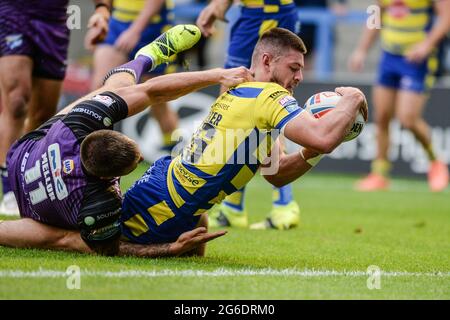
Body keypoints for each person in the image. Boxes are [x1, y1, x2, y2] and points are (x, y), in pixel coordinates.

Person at [1, 27, 367, 255]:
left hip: (162, 186)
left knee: (113, 92)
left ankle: (145, 57)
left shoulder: (249, 99)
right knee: (69, 239)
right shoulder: (266, 98)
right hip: (162, 211)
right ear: (267, 61)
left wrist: (313, 153)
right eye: (294, 68)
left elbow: (277, 173)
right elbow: (322, 134)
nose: (301, 77)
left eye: (303, 69)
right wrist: (351, 100)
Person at [0, 25, 252, 257]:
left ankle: (146, 57)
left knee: (113, 93)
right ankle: (140, 60)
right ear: (104, 180)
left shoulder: (76, 127)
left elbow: (150, 91)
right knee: (61, 238)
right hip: (35, 216)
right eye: (133, 164)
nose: (141, 158)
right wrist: (169, 248)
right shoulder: (99, 203)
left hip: (20, 156)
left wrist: (218, 76)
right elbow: (103, 246)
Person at [196, 0, 302, 230]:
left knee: (255, 103)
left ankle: (284, 203)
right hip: (253, 14)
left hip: (265, 13)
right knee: (241, 106)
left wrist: (217, 6)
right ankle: (234, 207)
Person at [0, 0, 111, 216]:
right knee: (16, 103)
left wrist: (101, 10)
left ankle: (25, 175)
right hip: (12, 12)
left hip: (55, 20)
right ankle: (9, 189)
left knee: (43, 115)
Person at [348, 0, 450, 192]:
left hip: (417, 59)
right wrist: (361, 50)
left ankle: (436, 163)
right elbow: (376, 15)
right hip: (389, 56)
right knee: (383, 115)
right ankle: (379, 173)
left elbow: (446, 16)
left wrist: (427, 45)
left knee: (408, 118)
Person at [88, 0, 181, 154]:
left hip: (154, 25)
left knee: (158, 96)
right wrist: (101, 18)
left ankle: (174, 146)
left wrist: (135, 30)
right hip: (117, 23)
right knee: (98, 90)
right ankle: (89, 149)